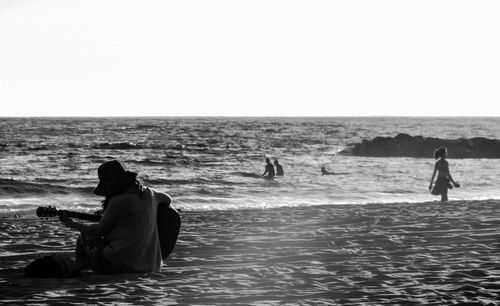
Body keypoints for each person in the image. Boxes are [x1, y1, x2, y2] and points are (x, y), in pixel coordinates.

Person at [59, 160, 173, 274]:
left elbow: (99, 232)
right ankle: (80, 266)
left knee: (85, 236)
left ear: (112, 185)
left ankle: (77, 270)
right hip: (152, 266)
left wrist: (70, 223)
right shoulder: (151, 193)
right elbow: (168, 199)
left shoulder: (118, 201)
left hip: (122, 267)